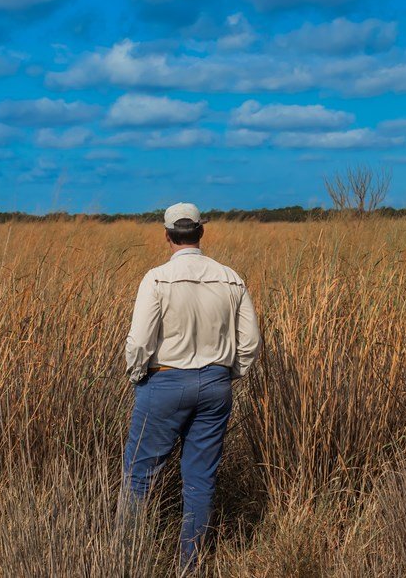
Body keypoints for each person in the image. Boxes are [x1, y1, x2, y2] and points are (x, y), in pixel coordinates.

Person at [121, 202, 261, 569]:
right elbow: (250, 342)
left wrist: (137, 375)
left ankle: (127, 559)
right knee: (200, 479)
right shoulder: (231, 278)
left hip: (164, 381)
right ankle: (190, 565)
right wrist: (228, 373)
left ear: (167, 236)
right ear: (201, 232)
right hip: (216, 384)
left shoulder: (156, 279)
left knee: (139, 476)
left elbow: (139, 341)